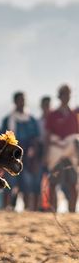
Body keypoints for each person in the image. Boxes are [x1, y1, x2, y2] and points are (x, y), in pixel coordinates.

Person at [2, 92, 42, 211]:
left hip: (28, 158)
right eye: (19, 100)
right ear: (15, 102)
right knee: (10, 184)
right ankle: (7, 208)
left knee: (27, 185)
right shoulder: (8, 119)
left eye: (23, 100)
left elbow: (36, 139)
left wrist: (33, 153)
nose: (22, 102)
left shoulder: (31, 120)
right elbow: (4, 139)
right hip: (12, 157)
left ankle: (27, 209)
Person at [44, 84, 79, 212]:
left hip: (71, 153)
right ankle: (53, 210)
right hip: (56, 152)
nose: (67, 97)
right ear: (60, 96)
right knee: (53, 182)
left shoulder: (74, 114)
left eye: (69, 94)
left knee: (73, 182)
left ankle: (72, 211)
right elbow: (48, 136)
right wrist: (46, 154)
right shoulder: (53, 114)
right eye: (65, 94)